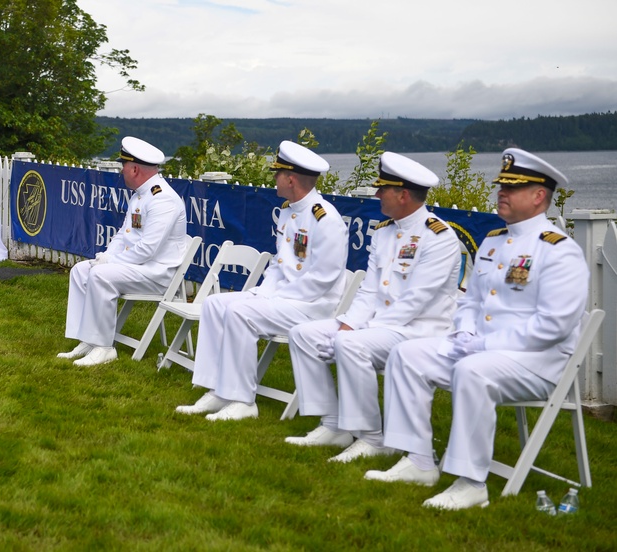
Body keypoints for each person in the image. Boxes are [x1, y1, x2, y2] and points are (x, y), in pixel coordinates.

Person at [365, 149, 588, 510]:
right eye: (502, 185)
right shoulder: (495, 241)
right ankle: (418, 460)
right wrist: (466, 333)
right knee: (407, 355)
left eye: (513, 188)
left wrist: (483, 345)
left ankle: (471, 484)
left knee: (472, 370)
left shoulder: (560, 251)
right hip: (484, 350)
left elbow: (554, 326)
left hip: (539, 362)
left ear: (538, 197)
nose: (502, 192)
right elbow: (471, 301)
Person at [285, 152, 462, 463]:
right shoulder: (384, 232)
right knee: (304, 334)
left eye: (384, 189)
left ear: (403, 195)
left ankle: (372, 437)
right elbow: (369, 290)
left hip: (419, 331)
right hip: (380, 327)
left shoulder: (439, 237)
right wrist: (349, 323)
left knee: (350, 344)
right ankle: (333, 423)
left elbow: (415, 301)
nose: (377, 194)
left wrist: (357, 332)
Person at [175, 141, 349, 421]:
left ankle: (243, 400)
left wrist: (274, 297)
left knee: (240, 312)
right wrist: (264, 292)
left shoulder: (325, 218)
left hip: (311, 305)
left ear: (291, 179)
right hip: (282, 298)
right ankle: (217, 389)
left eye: (278, 173)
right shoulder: (288, 211)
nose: (274, 177)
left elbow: (323, 279)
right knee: (215, 304)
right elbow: (281, 265)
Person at [58, 136, 188, 367]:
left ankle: (105, 348)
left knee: (100, 275)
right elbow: (124, 235)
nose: (122, 171)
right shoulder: (141, 195)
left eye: (124, 166)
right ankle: (87, 340)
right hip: (139, 267)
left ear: (135, 169)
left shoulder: (163, 199)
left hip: (158, 274)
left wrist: (111, 263)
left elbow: (147, 249)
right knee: (80, 270)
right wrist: (107, 255)